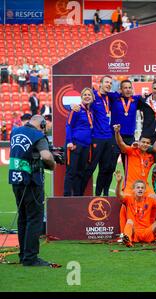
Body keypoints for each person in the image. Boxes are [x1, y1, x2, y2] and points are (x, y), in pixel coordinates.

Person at [9, 115, 56, 266]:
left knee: (22, 218)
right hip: (31, 182)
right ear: (41, 123)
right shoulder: (38, 135)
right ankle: (30, 258)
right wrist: (52, 164)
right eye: (45, 126)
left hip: (16, 179)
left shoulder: (15, 131)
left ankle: (23, 255)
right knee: (34, 219)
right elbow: (46, 156)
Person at [114, 171, 156, 247]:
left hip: (147, 231)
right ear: (133, 190)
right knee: (129, 221)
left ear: (145, 190)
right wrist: (119, 183)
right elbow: (118, 195)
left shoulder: (150, 200)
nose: (140, 189)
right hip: (134, 232)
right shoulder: (129, 199)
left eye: (142, 188)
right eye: (138, 188)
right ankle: (128, 240)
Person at [64, 88, 94, 196]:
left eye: (89, 95)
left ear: (92, 98)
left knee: (80, 173)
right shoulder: (76, 110)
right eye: (85, 95)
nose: (87, 96)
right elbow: (68, 125)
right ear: (81, 97)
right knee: (71, 172)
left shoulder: (90, 111)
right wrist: (69, 141)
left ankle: (77, 197)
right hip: (75, 144)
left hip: (86, 146)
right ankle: (66, 197)